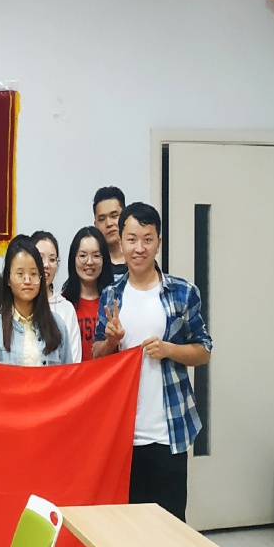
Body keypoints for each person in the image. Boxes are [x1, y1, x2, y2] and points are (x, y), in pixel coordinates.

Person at [94, 202, 213, 521]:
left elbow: (204, 351)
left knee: (170, 527)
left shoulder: (182, 292)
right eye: (132, 239)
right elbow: (95, 358)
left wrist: (169, 349)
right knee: (130, 528)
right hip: (124, 435)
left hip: (168, 432)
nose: (139, 248)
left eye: (147, 239)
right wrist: (111, 342)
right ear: (120, 242)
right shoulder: (111, 296)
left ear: (158, 242)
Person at [0, 236, 70, 366]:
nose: (27, 281)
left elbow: (69, 374)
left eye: (33, 274)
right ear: (8, 279)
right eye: (20, 274)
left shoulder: (57, 325)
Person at [61, 226, 114, 362]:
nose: (89, 262)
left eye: (96, 256)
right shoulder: (63, 304)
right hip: (74, 375)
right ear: (73, 259)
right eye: (83, 256)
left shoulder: (113, 301)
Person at [31, 231, 82, 364]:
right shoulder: (20, 305)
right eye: (40, 258)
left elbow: (73, 361)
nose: (46, 265)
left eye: (52, 259)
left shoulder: (66, 308)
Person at [93, 186, 127, 277]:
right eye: (102, 219)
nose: (108, 224)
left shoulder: (140, 260)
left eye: (114, 216)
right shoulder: (92, 266)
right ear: (95, 225)